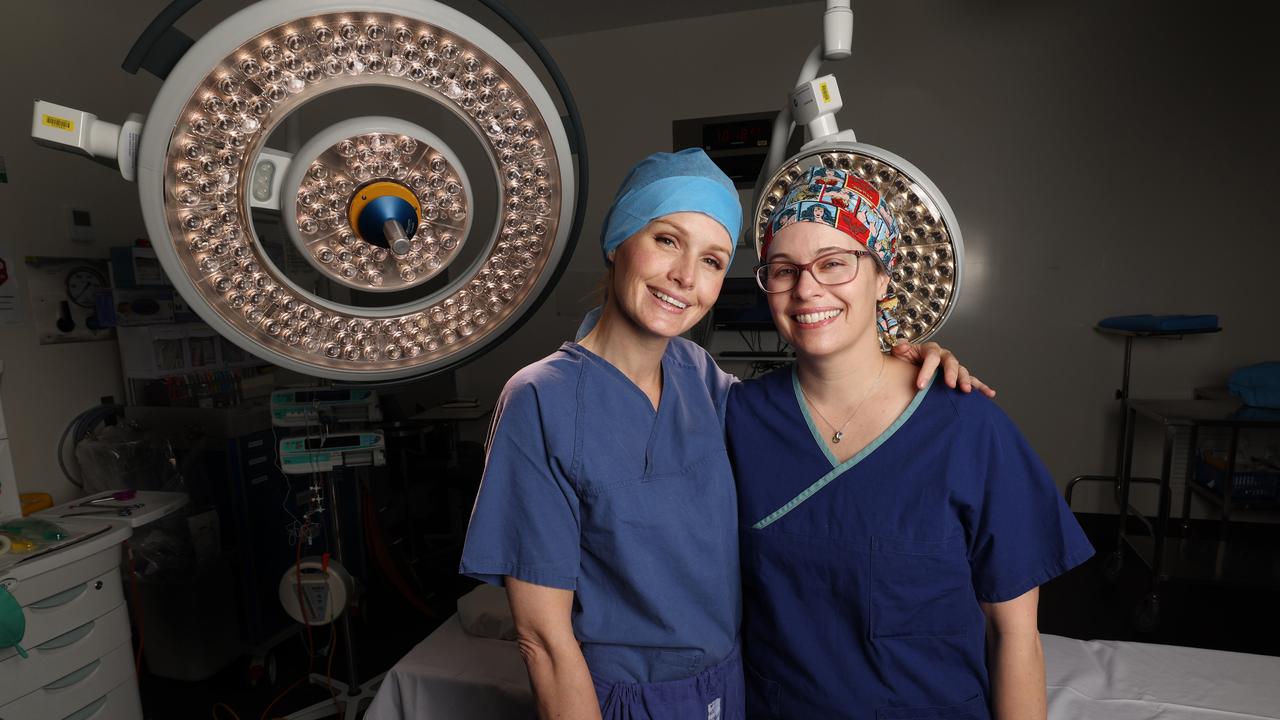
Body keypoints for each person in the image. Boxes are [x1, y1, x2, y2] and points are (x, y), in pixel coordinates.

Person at [460, 150, 989, 720]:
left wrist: (908, 361)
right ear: (618, 243)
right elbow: (542, 638)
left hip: (734, 689)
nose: (686, 277)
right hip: (623, 699)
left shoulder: (703, 380)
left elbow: (820, 403)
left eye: (712, 260)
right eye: (667, 240)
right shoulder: (541, 398)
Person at [727, 166, 1094, 720]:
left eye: (834, 263)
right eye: (784, 270)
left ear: (882, 277)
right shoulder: (739, 419)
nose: (806, 288)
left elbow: (1015, 636)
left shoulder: (967, 427)